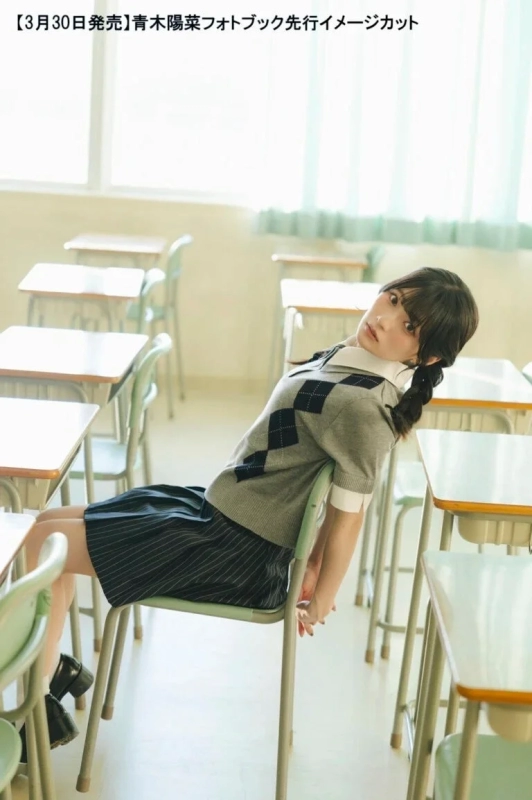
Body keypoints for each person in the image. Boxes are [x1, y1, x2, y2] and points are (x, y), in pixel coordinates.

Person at [23, 266, 478, 751]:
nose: (386, 319)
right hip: (216, 513)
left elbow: (350, 515)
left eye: (409, 326)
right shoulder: (354, 361)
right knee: (44, 527)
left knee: (38, 544)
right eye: (392, 300)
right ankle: (47, 679)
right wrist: (315, 562)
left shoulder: (365, 408)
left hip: (233, 549)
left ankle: (33, 705)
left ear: (425, 355)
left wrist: (321, 593)